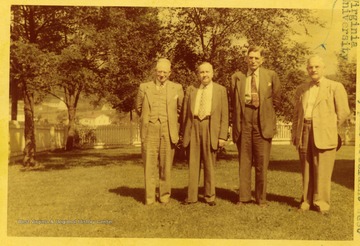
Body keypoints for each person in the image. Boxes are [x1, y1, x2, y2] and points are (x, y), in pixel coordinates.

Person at [291, 55, 350, 214]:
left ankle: (322, 203)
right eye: (310, 67)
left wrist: (329, 126)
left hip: (325, 132)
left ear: (323, 68)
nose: (313, 70)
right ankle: (306, 201)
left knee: (322, 169)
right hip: (304, 130)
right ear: (307, 69)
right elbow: (297, 113)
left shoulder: (335, 86)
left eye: (317, 66)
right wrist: (295, 134)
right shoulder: (302, 89)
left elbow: (343, 112)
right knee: (306, 167)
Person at [231, 46, 281, 207]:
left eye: (256, 58)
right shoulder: (237, 77)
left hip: (262, 123)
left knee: (261, 162)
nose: (253, 61)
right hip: (244, 121)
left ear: (262, 60)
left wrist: (265, 114)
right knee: (244, 162)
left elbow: (276, 100)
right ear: (246, 59)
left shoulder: (271, 75)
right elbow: (233, 102)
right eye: (250, 57)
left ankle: (261, 199)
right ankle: (244, 197)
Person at [135, 58, 184, 205]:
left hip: (168, 131)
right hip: (150, 130)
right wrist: (148, 119)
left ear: (170, 73)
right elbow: (138, 108)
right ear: (155, 71)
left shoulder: (177, 88)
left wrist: (171, 122)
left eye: (164, 72)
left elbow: (181, 110)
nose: (161, 74)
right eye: (159, 71)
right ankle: (149, 198)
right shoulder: (144, 87)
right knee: (149, 166)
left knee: (166, 166)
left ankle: (164, 196)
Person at [181, 62, 229, 206]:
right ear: (198, 74)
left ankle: (209, 196)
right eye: (202, 72)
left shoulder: (220, 90)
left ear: (213, 73)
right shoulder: (191, 90)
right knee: (193, 163)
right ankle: (191, 197)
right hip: (193, 126)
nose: (205, 75)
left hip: (210, 126)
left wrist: (222, 136)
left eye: (207, 72)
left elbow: (225, 115)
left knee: (209, 164)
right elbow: (184, 113)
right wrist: (183, 133)